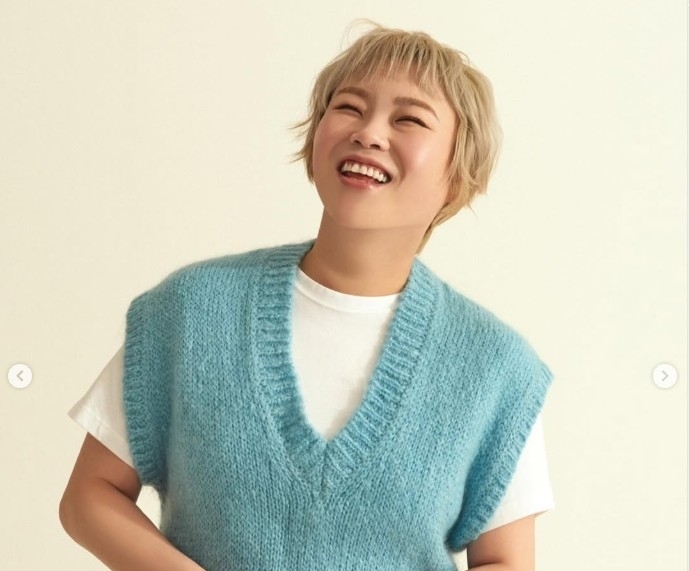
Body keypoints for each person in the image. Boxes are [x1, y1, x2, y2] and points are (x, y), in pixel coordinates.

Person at [59, 22, 554, 571]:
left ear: (457, 177)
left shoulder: (495, 368)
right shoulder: (191, 312)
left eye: (409, 119)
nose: (369, 132)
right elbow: (89, 496)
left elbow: (505, 561)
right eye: (348, 108)